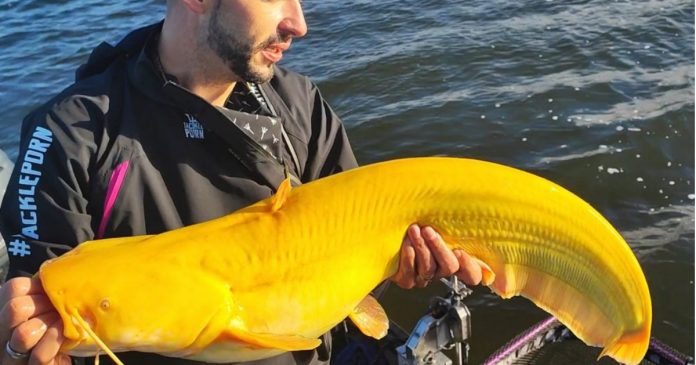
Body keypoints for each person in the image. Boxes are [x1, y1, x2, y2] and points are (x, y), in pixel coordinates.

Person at [0, 1, 485, 364]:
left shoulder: (300, 104)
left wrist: (397, 263)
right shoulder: (71, 132)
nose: (299, 23)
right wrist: (16, 342)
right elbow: (34, 316)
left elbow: (357, 253)